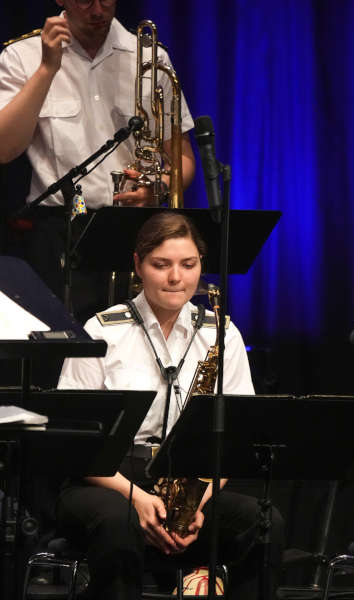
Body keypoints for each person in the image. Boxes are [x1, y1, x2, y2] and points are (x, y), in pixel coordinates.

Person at [56, 212, 283, 599]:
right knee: (120, 523)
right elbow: (76, 442)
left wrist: (198, 503)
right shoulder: (101, 330)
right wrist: (139, 500)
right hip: (109, 477)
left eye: (188, 265)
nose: (176, 277)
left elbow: (236, 439)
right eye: (161, 265)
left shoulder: (222, 331)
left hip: (190, 481)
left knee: (264, 522)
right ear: (138, 266)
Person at [0, 0, 196, 319]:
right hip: (61, 227)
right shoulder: (23, 55)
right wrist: (47, 68)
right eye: (85, 0)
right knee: (63, 354)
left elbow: (183, 160)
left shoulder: (149, 56)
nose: (97, 10)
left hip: (131, 227)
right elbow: (4, 149)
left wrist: (157, 188)